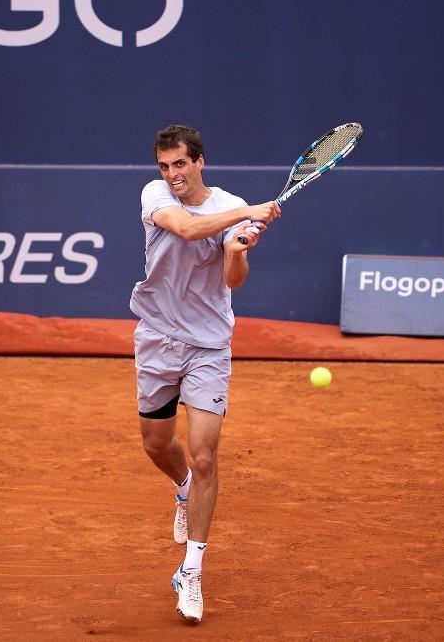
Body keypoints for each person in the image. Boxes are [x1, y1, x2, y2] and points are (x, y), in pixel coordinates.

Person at [129, 124, 280, 623]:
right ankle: (182, 487)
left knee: (207, 455)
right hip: (156, 337)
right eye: (165, 165)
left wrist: (236, 252)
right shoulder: (156, 195)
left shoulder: (229, 203)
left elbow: (232, 281)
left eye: (180, 164)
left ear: (200, 162)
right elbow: (189, 229)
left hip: (208, 346)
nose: (172, 174)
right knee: (156, 444)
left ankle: (190, 570)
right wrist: (245, 213)